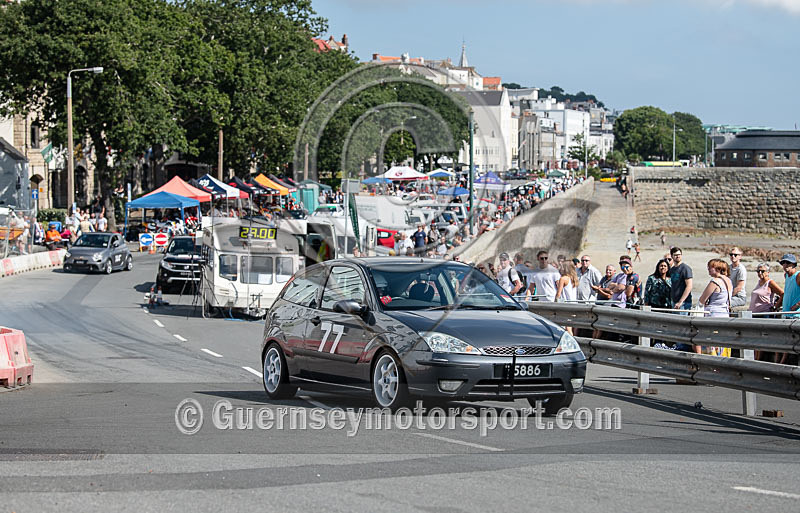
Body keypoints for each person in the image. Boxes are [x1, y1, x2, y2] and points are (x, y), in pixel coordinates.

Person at [697, 259, 733, 356]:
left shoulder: (715, 281)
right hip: (725, 315)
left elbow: (702, 300)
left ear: (717, 268)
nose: (708, 269)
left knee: (712, 346)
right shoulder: (728, 281)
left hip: (713, 315)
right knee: (722, 344)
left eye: (710, 267)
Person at [750, 263, 784, 362]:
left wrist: (775, 307)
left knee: (761, 339)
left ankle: (757, 360)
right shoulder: (759, 282)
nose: (760, 273)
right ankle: (755, 359)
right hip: (754, 314)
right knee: (755, 338)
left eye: (762, 271)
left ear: (768, 272)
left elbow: (782, 293)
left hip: (764, 314)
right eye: (758, 271)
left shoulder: (770, 283)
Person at [669, 247, 693, 312]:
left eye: (679, 255)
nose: (678, 256)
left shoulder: (685, 269)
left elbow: (689, 286)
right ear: (672, 256)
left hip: (684, 303)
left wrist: (681, 301)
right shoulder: (672, 270)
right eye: (675, 255)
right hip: (674, 301)